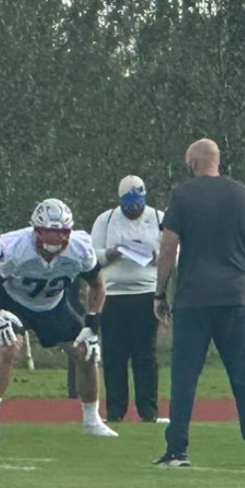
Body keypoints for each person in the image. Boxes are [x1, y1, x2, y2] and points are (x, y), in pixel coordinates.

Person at [154, 138, 245, 468]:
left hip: (194, 298)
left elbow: (168, 248)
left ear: (193, 162)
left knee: (184, 377)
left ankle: (177, 450)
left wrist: (160, 291)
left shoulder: (182, 196)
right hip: (235, 297)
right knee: (243, 375)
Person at [0, 198, 119, 440]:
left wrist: (92, 323)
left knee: (86, 350)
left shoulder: (80, 247)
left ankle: (92, 420)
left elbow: (98, 284)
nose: (55, 240)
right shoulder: (16, 245)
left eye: (61, 233)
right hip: (13, 302)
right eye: (49, 233)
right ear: (36, 230)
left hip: (53, 306)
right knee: (9, 348)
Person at [89, 175, 163, 424]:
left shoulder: (158, 218)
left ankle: (148, 411)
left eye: (137, 204)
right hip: (113, 295)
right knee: (114, 355)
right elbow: (92, 256)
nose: (134, 210)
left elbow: (174, 254)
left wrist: (154, 256)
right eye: (128, 205)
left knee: (145, 355)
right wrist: (112, 252)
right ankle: (115, 411)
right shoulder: (106, 220)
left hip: (145, 293)